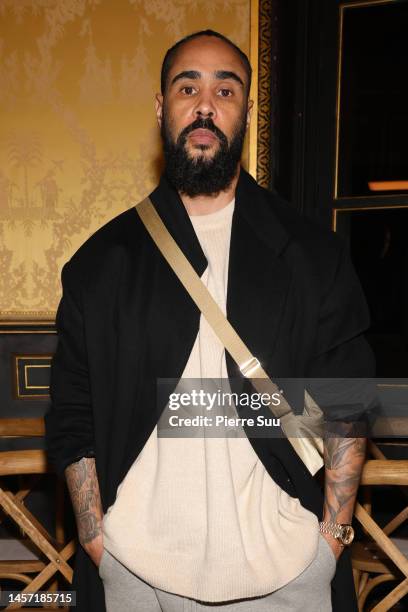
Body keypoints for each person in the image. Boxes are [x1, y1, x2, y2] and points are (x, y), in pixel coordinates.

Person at [45, 30, 375, 612]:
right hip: (135, 575)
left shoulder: (312, 255)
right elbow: (74, 416)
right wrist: (97, 540)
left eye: (225, 89)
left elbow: (346, 403)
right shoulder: (101, 263)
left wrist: (332, 540)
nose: (205, 104)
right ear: (160, 107)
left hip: (288, 572)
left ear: (245, 110)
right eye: (187, 86)